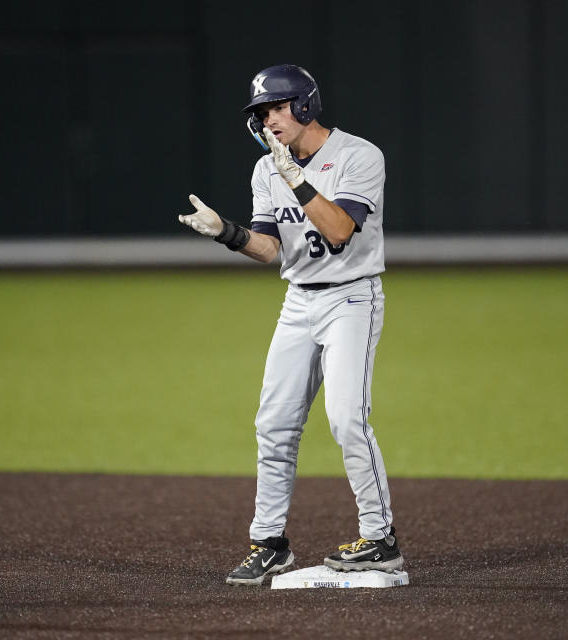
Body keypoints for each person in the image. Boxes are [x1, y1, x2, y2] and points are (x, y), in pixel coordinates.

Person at [177, 63, 403, 586]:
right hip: (298, 301)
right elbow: (270, 248)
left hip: (352, 298)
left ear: (304, 105)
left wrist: (296, 178)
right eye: (261, 112)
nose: (268, 119)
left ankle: (380, 536)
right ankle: (269, 542)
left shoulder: (358, 155)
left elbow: (341, 229)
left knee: (347, 419)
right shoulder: (265, 169)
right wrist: (224, 233)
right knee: (273, 425)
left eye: (276, 107)